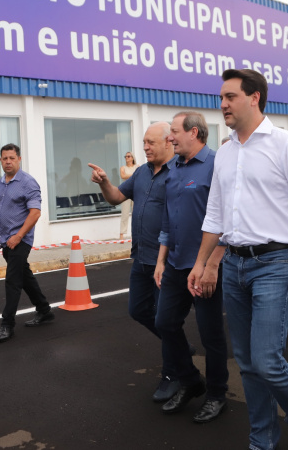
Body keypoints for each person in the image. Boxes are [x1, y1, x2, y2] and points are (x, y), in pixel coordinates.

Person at [189, 69, 288, 450]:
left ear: (254, 98)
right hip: (233, 265)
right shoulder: (226, 152)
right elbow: (215, 216)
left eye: (230, 96)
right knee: (248, 364)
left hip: (276, 263)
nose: (222, 105)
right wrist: (203, 262)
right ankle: (262, 442)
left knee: (267, 360)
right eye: (221, 97)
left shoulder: (287, 145)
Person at [89, 122, 177, 402]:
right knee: (138, 310)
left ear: (168, 142)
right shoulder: (141, 173)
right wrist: (104, 182)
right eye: (144, 142)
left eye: (151, 142)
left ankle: (174, 373)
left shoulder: (178, 173)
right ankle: (180, 350)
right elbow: (116, 197)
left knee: (166, 321)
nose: (145, 147)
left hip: (166, 261)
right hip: (141, 258)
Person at [154, 112, 228, 423]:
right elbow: (169, 220)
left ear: (193, 132)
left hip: (208, 267)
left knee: (211, 335)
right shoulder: (172, 168)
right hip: (176, 264)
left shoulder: (217, 164)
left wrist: (212, 264)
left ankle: (216, 394)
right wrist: (161, 260)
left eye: (173, 132)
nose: (169, 138)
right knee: (165, 323)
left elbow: (227, 218)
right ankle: (189, 379)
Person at [0, 143, 54, 343]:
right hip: (5, 240)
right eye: (4, 158)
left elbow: (35, 213)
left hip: (20, 240)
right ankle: (44, 310)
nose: (8, 161)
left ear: (19, 159)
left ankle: (7, 325)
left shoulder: (28, 183)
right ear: (0, 161)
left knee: (13, 281)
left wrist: (18, 236)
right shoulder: (0, 183)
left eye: (12, 158)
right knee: (24, 276)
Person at [119, 152, 136, 239]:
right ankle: (122, 233)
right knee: (125, 213)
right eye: (125, 156)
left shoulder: (137, 167)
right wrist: (134, 175)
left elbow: (139, 175)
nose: (127, 158)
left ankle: (135, 233)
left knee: (135, 213)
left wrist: (128, 176)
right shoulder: (123, 168)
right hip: (125, 192)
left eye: (129, 156)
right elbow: (123, 176)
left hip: (136, 191)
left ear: (132, 158)